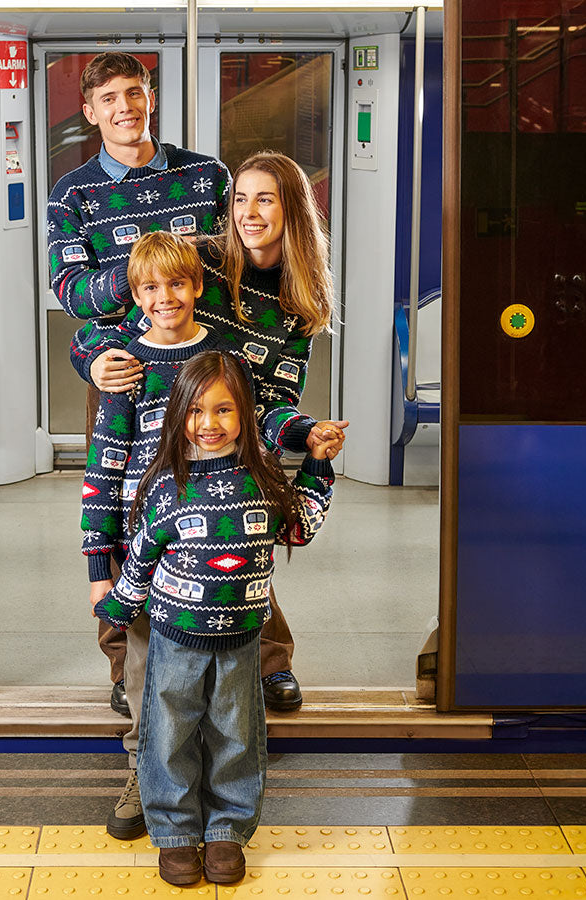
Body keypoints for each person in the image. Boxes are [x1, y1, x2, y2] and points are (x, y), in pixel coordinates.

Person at [77, 150, 349, 711]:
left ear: (293, 210)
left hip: (229, 455)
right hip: (149, 451)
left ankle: (265, 660)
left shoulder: (300, 303)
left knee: (233, 545)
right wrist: (96, 358)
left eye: (265, 199)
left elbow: (271, 404)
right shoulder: (201, 262)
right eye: (240, 198)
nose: (248, 213)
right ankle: (128, 671)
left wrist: (306, 436)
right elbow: (113, 332)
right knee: (138, 557)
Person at [93, 350, 339, 886]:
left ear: (246, 414)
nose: (210, 424)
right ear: (179, 413)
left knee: (238, 734)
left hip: (242, 640)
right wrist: (117, 608)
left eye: (225, 411)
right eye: (197, 411)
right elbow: (140, 558)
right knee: (168, 734)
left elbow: (300, 527)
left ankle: (228, 830)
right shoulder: (163, 484)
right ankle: (176, 834)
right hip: (174, 636)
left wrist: (318, 464)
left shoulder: (266, 478)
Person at [46, 50, 231, 724]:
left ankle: (264, 661)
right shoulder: (73, 196)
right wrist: (143, 281)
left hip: (208, 370)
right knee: (124, 512)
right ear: (90, 113)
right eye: (110, 100)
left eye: (135, 92)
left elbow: (237, 275)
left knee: (231, 503)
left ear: (150, 97)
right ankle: (126, 665)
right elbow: (71, 293)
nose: (125, 107)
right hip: (123, 373)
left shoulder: (207, 175)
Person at [82, 230, 249, 839]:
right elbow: (104, 466)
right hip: (143, 551)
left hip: (215, 547)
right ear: (134, 294)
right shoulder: (126, 362)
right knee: (145, 667)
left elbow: (254, 433)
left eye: (178, 284)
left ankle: (212, 781)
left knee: (218, 676)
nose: (165, 298)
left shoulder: (226, 356)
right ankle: (143, 772)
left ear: (198, 287)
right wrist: (101, 567)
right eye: (150, 287)